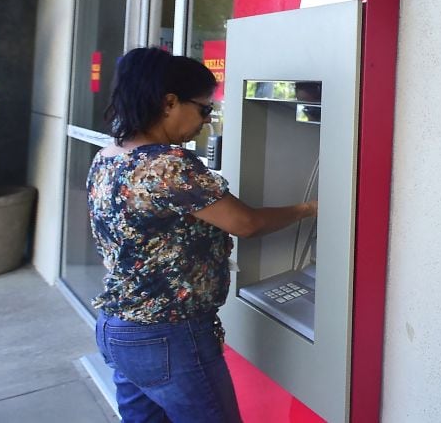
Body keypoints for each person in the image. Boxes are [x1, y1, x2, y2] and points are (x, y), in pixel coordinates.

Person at [88, 47, 317, 423]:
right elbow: (246, 224)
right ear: (169, 103)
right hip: (169, 334)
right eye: (204, 109)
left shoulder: (109, 156)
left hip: (119, 327)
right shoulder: (167, 166)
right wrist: (310, 209)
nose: (207, 121)